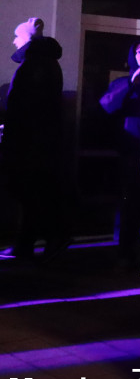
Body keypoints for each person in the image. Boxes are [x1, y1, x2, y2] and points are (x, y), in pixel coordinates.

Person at [3, 17, 65, 262]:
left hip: (31, 144)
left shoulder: (36, 65)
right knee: (35, 194)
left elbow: (27, 106)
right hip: (37, 142)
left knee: (31, 193)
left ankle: (38, 242)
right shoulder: (45, 63)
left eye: (18, 36)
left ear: (27, 39)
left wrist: (16, 130)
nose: (14, 40)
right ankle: (37, 242)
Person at [100, 41, 140, 267]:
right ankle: (125, 248)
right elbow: (106, 107)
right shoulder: (123, 82)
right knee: (129, 198)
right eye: (139, 51)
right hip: (130, 149)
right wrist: (131, 85)